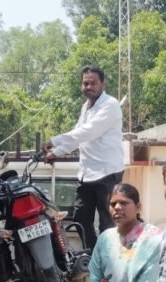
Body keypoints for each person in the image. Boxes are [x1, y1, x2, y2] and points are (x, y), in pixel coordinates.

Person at [41, 66, 124, 251]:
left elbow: (88, 132)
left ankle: (108, 259)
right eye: (85, 83)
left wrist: (54, 141)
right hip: (87, 173)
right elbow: (78, 136)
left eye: (93, 83)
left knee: (108, 222)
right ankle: (93, 254)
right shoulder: (85, 107)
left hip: (107, 172)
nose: (89, 87)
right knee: (80, 219)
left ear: (103, 84)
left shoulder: (110, 104)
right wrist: (57, 152)